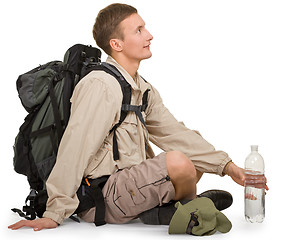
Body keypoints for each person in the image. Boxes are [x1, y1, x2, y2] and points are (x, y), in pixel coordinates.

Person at [8, 3, 268, 231]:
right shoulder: (101, 85)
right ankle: (184, 207)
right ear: (116, 44)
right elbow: (74, 148)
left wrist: (228, 167)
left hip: (131, 184)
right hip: (102, 195)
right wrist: (55, 213)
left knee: (190, 148)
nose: (150, 35)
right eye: (139, 30)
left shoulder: (140, 87)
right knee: (178, 161)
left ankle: (168, 209)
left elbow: (174, 133)